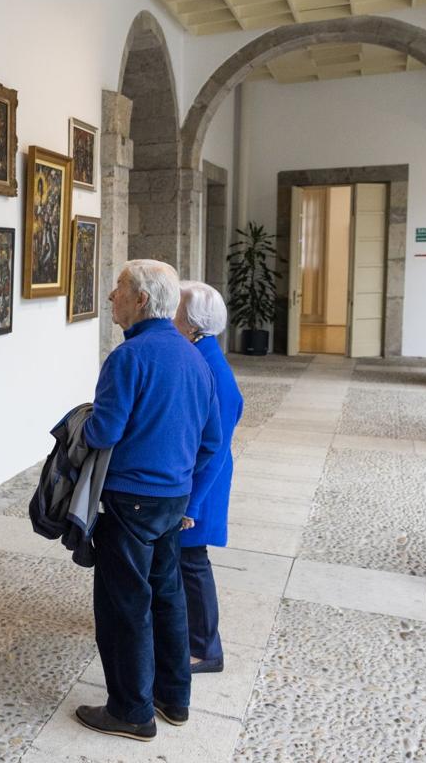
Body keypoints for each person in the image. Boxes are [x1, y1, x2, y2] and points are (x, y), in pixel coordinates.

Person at [74, 260, 222, 742]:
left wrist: (80, 421)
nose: (110, 296)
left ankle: (131, 711)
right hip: (171, 499)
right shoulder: (193, 357)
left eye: (118, 288)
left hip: (129, 500)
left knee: (124, 605)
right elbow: (212, 441)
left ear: (140, 300)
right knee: (168, 598)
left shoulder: (129, 358)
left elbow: (104, 431)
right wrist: (184, 487)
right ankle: (173, 698)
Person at [173, 281, 244, 675]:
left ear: (191, 322)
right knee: (185, 560)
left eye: (176, 309)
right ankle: (191, 637)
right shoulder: (202, 356)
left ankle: (205, 650)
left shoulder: (211, 367)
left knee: (192, 560)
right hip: (198, 481)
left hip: (204, 484)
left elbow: (216, 444)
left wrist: (192, 504)